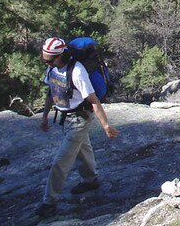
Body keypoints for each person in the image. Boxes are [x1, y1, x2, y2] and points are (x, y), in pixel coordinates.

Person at [36, 37, 119, 218]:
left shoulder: (77, 71)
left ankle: (49, 201)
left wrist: (106, 125)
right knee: (83, 148)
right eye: (45, 59)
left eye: (50, 59)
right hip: (66, 118)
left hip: (80, 118)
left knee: (61, 161)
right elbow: (51, 92)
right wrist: (44, 116)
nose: (47, 63)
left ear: (61, 55)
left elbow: (93, 100)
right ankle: (90, 180)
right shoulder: (53, 67)